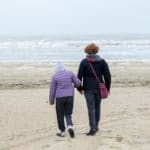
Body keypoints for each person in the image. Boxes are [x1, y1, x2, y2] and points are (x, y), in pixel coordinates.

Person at [77, 43, 111, 136]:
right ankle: (96, 126)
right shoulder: (102, 61)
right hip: (99, 88)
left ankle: (92, 129)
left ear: (87, 51)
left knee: (91, 108)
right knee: (97, 107)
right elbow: (108, 76)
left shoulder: (84, 62)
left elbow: (79, 77)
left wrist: (79, 88)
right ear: (96, 51)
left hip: (88, 88)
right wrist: (107, 88)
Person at [49, 62, 81, 138]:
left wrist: (51, 101)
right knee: (68, 113)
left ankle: (62, 131)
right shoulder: (70, 73)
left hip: (60, 98)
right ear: (63, 67)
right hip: (70, 96)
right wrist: (74, 85)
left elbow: (52, 90)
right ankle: (70, 126)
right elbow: (78, 82)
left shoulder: (55, 76)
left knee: (60, 114)